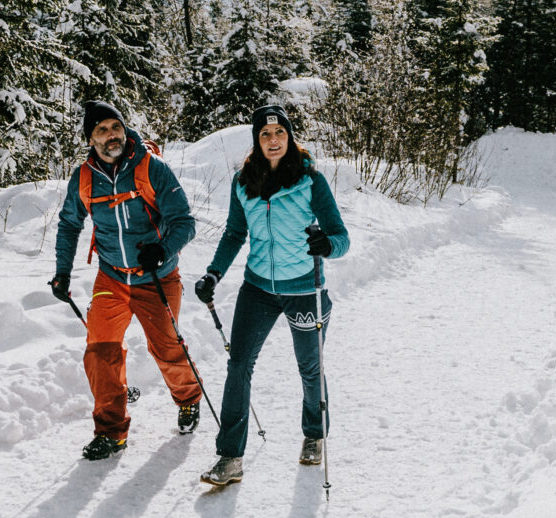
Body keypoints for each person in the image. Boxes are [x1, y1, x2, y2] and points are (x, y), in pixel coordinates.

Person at [192, 101, 348, 488]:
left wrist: (325, 246)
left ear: (289, 137)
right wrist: (213, 273)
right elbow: (233, 233)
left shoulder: (311, 180)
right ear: (256, 140)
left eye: (280, 133)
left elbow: (341, 238)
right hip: (258, 288)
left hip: (303, 288)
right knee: (239, 364)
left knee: (309, 368)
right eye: (265, 134)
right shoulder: (244, 182)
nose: (273, 140)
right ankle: (230, 457)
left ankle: (314, 433)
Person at [51, 100, 201, 461]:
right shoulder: (84, 178)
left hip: (157, 277)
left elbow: (184, 221)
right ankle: (111, 431)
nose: (111, 135)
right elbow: (70, 224)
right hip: (112, 277)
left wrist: (163, 251)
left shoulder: (151, 168)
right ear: (90, 139)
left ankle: (188, 398)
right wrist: (62, 271)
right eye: (101, 130)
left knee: (166, 347)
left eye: (115, 127)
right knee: (100, 350)